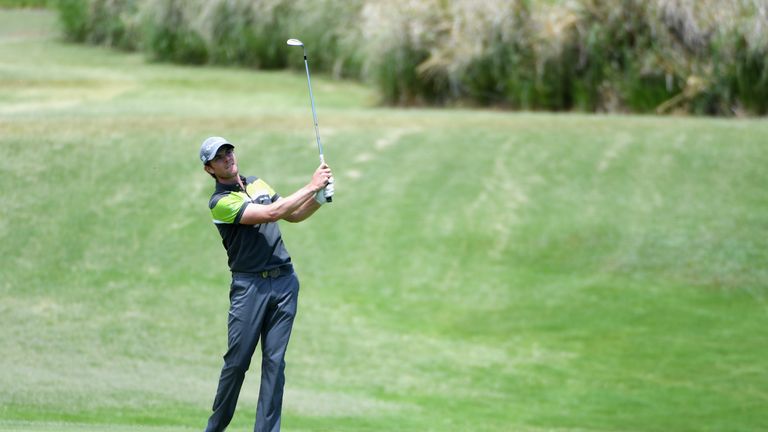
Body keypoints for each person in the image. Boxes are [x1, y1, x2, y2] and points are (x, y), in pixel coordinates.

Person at [199, 136, 334, 432]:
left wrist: (319, 199)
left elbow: (291, 214)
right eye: (219, 157)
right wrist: (311, 185)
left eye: (229, 150)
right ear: (210, 169)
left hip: (284, 282)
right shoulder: (220, 202)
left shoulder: (258, 183)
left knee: (275, 364)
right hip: (250, 288)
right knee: (237, 363)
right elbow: (272, 213)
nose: (227, 157)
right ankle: (215, 428)